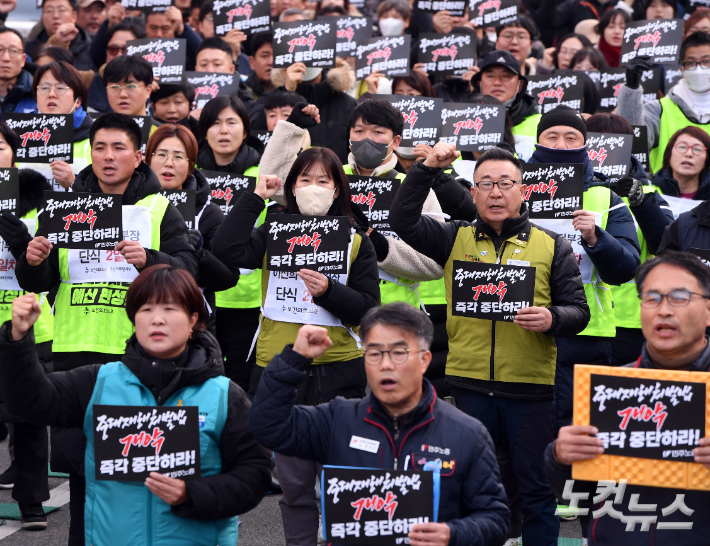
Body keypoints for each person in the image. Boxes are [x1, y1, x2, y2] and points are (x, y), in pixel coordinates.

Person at [389, 142, 591, 546]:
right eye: (486, 184)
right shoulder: (453, 237)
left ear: (523, 191)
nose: (496, 192)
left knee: (535, 489)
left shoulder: (553, 245)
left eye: (505, 183)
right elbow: (402, 220)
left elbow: (578, 312)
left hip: (529, 387)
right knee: (472, 484)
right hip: (469, 383)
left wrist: (552, 318)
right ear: (473, 193)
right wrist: (426, 169)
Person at [15, 113, 199, 546]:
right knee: (82, 467)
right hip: (75, 352)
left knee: (140, 465)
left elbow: (188, 272)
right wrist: (34, 259)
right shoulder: (63, 209)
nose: (108, 156)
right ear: (89, 154)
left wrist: (149, 258)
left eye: (119, 148)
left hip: (136, 355)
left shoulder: (157, 207)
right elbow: (37, 281)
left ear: (138, 157)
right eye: (99, 148)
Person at [0, 264, 272, 546]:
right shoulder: (99, 382)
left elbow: (254, 474)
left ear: (193, 320)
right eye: (145, 310)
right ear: (133, 319)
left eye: (170, 309)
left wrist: (192, 494)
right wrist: (17, 338)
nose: (157, 320)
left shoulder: (222, 395)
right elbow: (29, 402)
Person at [213, 147, 380, 546]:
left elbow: (369, 309)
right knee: (294, 481)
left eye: (324, 180)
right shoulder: (275, 229)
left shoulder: (356, 240)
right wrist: (256, 199)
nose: (314, 188)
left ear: (339, 190)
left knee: (345, 476)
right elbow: (225, 252)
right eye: (304, 180)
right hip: (281, 365)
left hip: (339, 367)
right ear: (291, 187)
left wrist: (328, 292)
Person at [248, 303, 511, 546]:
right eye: (374, 353)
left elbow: (495, 520)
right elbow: (268, 425)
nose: (385, 365)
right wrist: (295, 359)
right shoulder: (337, 419)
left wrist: (453, 534)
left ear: (424, 360)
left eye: (398, 353)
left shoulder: (467, 433)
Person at [545, 250, 710, 545]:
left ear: (708, 309)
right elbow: (579, 495)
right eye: (652, 298)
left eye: (680, 297)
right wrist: (560, 458)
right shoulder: (610, 390)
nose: (664, 310)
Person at [587, 113, 675, 363]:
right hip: (584, 317)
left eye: (613, 143)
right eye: (596, 142)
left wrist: (642, 203)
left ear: (628, 147)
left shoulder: (649, 193)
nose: (604, 150)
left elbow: (668, 246)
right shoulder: (570, 192)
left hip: (630, 320)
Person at [0, 122, 54, 529]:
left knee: (29, 419)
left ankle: (32, 501)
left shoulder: (43, 201)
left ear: (13, 153)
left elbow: (48, 272)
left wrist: (21, 242)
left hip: (29, 322)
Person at [146, 125, 237, 335]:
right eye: (161, 154)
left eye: (178, 157)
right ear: (146, 160)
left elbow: (228, 278)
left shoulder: (209, 213)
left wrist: (200, 253)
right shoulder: (131, 207)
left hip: (191, 323)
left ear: (190, 166)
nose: (169, 163)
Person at [617, 31, 710, 174]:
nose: (699, 69)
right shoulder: (659, 109)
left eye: (706, 61)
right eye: (691, 62)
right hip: (664, 195)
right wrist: (631, 87)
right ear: (682, 70)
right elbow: (632, 142)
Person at [21, 61, 93, 191]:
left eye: (60, 88)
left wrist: (73, 184)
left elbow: (106, 201)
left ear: (78, 101)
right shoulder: (15, 137)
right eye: (44, 88)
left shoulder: (96, 141)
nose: (51, 94)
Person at [471, 50, 541, 162]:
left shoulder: (540, 123)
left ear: (520, 85)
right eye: (490, 76)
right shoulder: (460, 120)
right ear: (479, 83)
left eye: (506, 76)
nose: (497, 82)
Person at [86, 20, 144, 114]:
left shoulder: (152, 85)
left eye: (126, 49)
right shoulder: (88, 82)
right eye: (113, 49)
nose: (119, 55)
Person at [25, 0, 94, 71]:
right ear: (43, 17)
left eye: (61, 10)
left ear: (74, 16)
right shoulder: (29, 49)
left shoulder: (91, 49)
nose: (55, 16)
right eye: (49, 11)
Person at [194, 37, 255, 112]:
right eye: (204, 64)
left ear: (232, 69)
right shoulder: (185, 102)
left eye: (217, 64)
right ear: (196, 69)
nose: (210, 70)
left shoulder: (247, 104)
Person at [651, 126, 710, 200]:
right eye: (682, 147)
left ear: (707, 159)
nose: (689, 154)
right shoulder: (649, 193)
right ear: (669, 155)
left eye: (697, 149)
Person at [144, 6, 203, 71]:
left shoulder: (184, 57)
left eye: (165, 29)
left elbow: (202, 53)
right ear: (145, 27)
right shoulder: (136, 53)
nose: (159, 34)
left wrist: (182, 30)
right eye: (153, 28)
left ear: (174, 29)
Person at [0, 27, 34, 114]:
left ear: (23, 59)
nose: (6, 58)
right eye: (0, 50)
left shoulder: (39, 95)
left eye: (13, 51)